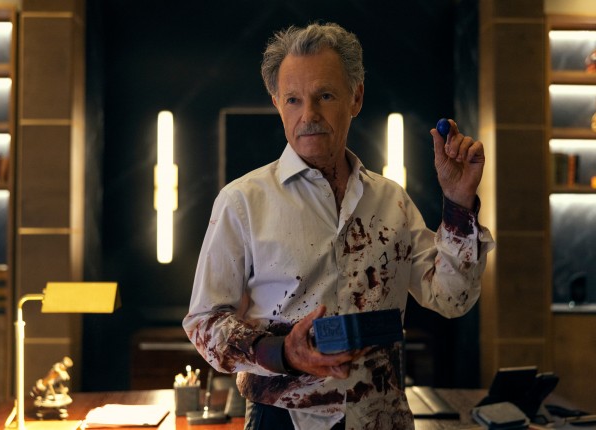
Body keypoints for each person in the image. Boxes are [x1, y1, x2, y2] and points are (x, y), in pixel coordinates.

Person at [183, 22, 494, 430]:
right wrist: (282, 353)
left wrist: (458, 204)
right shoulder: (242, 201)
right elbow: (204, 321)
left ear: (356, 97)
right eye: (293, 100)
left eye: (325, 96)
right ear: (277, 103)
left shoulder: (392, 201)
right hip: (281, 419)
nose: (308, 115)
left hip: (382, 418)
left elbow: (453, 299)